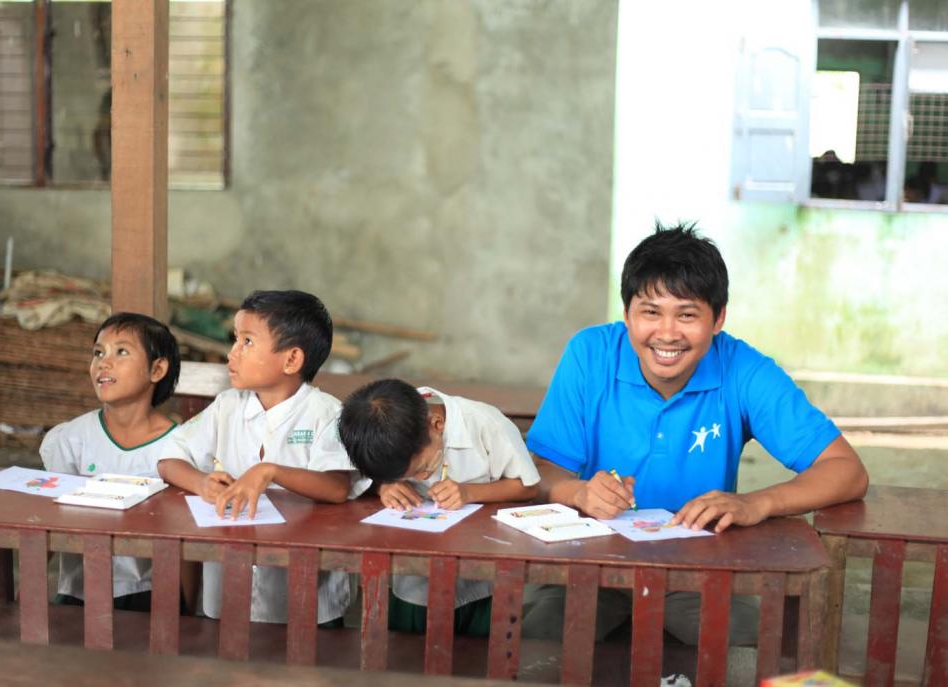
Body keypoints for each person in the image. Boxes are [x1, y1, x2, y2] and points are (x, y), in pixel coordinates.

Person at [522, 222, 868, 644]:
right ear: (627, 313)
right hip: (587, 562)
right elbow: (543, 473)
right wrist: (579, 494)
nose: (667, 334)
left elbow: (847, 470)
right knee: (535, 643)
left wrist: (758, 503)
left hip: (700, 570)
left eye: (687, 314)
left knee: (750, 651)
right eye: (650, 312)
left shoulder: (744, 369)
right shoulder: (589, 354)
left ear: (718, 318)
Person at [157, 290, 368, 626]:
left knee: (302, 670)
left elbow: (336, 487)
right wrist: (202, 484)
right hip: (229, 582)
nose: (232, 353)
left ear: (291, 360)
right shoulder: (228, 405)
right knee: (229, 660)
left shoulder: (324, 413)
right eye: (235, 339)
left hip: (307, 597)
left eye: (247, 342)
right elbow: (169, 459)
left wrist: (270, 471)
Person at [338, 378, 540, 635]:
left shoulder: (485, 424)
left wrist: (469, 492)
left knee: (477, 651)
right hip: (412, 571)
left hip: (482, 568)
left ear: (436, 424)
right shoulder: (373, 436)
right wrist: (383, 486)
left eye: (422, 469)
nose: (421, 478)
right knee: (407, 648)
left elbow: (527, 486)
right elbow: (360, 478)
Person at [41, 312, 181, 611]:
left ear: (157, 369)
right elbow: (49, 521)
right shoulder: (71, 438)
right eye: (98, 352)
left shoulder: (180, 446)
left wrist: (187, 606)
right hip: (79, 591)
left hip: (152, 591)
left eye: (121, 351)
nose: (104, 362)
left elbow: (188, 536)